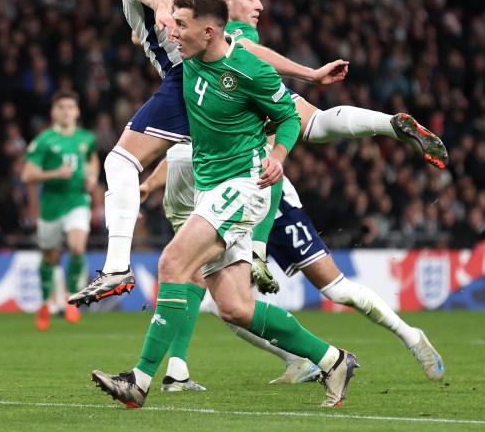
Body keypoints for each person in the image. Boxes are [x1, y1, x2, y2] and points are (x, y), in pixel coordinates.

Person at [90, 0, 357, 409]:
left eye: (181, 25)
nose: (172, 32)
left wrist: (279, 156)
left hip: (244, 186)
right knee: (235, 307)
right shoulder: (188, 54)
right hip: (209, 189)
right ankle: (333, 359)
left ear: (209, 31)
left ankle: (138, 381)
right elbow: (147, 24)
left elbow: (287, 116)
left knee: (172, 263)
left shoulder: (249, 69)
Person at [208, 0, 450, 289]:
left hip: (240, 96)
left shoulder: (233, 32)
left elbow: (242, 49)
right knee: (318, 125)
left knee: (268, 160)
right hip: (250, 90)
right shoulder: (217, 27)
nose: (261, 7)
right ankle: (388, 123)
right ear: (226, 0)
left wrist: (309, 74)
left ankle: (256, 253)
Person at [67, 0, 252, 306]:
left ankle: (117, 268)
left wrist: (164, 10)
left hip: (187, 79)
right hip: (218, 71)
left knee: (119, 163)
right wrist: (239, 14)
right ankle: (247, 249)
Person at [139, 151, 444, 389]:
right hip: (229, 205)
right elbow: (182, 151)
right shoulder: (203, 90)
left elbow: (269, 173)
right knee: (227, 305)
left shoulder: (249, 91)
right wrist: (151, 184)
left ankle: (411, 337)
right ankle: (297, 361)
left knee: (337, 289)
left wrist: (259, 247)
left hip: (275, 207)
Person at [21, 90, 98, 331]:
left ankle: (72, 298)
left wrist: (93, 177)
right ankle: (45, 303)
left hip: (76, 201)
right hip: (51, 205)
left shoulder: (86, 138)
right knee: (49, 257)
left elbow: (92, 160)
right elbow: (27, 175)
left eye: (70, 107)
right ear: (54, 112)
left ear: (77, 111)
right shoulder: (44, 141)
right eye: (61, 107)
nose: (66, 111)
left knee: (77, 247)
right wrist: (55, 173)